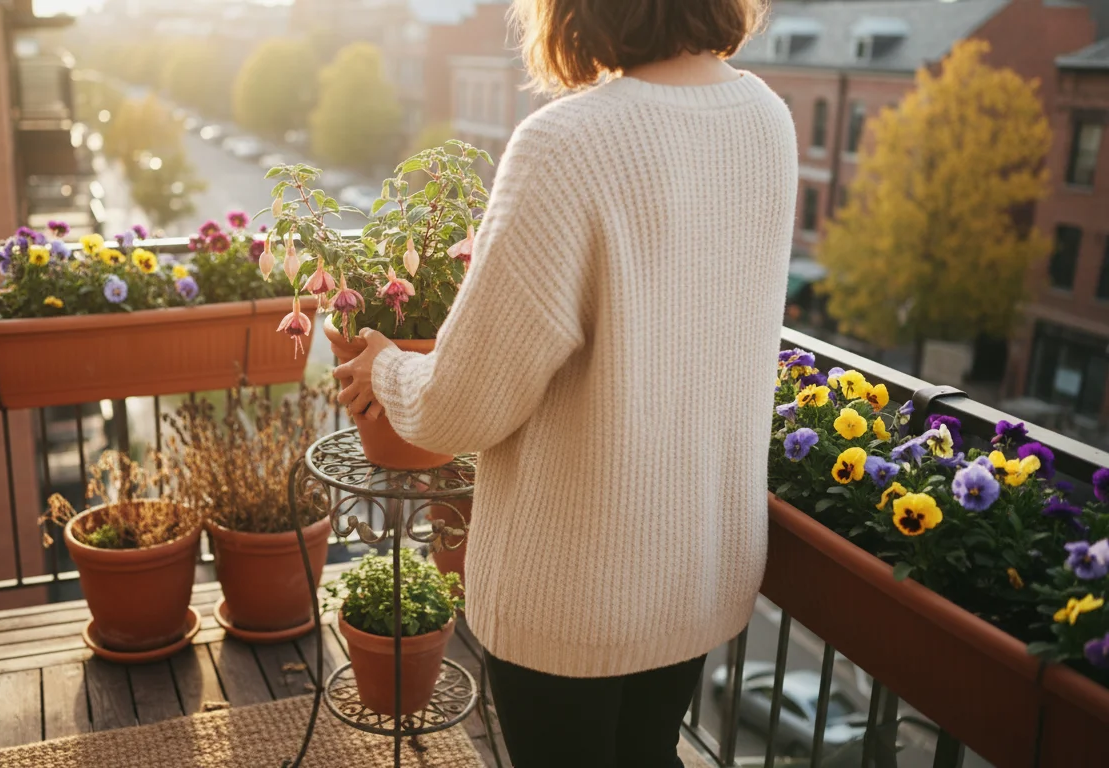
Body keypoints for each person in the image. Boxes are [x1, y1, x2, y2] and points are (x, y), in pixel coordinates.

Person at [334, 0, 795, 764]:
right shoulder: (765, 120)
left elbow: (459, 406)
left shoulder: (570, 141)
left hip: (575, 598)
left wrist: (384, 363)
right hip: (697, 573)